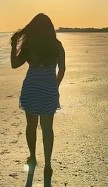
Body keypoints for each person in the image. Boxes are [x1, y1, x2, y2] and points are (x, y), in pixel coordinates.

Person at [10, 13, 66, 176]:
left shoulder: (30, 45)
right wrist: (54, 86)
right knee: (48, 129)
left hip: (31, 89)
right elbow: (62, 70)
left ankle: (33, 157)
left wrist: (14, 46)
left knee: (31, 126)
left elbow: (14, 64)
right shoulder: (56, 45)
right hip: (48, 89)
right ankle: (48, 164)